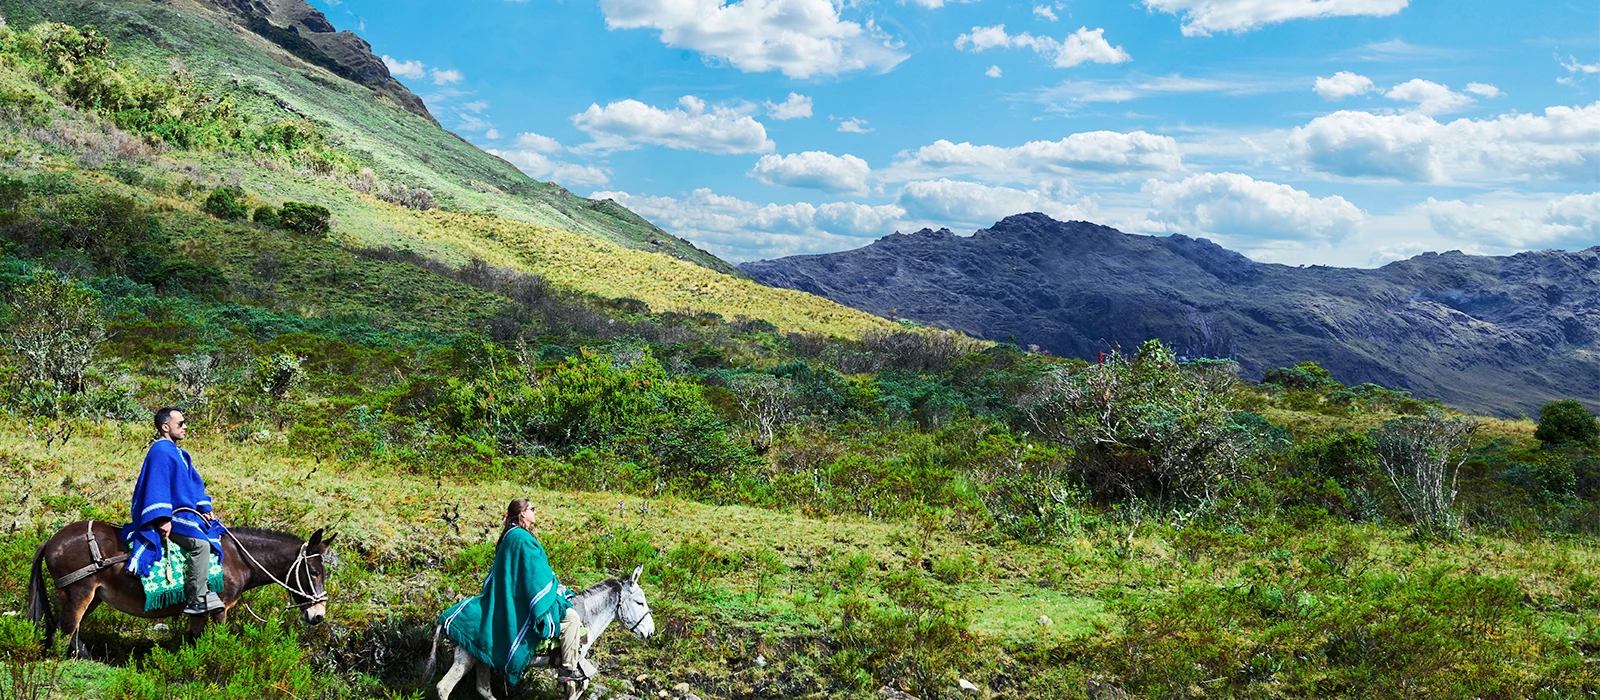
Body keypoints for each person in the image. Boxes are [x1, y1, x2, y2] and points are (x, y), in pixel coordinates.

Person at [438, 498, 586, 689]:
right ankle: (568, 670)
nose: (535, 512)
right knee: (572, 618)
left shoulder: (510, 535)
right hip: (522, 601)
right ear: (522, 513)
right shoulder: (521, 538)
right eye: (532, 508)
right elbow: (535, 574)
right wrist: (554, 585)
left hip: (514, 596)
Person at [120, 407, 225, 615]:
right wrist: (162, 519)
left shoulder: (180, 453)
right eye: (181, 424)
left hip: (186, 514)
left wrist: (204, 508)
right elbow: (157, 486)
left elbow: (193, 484)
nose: (185, 427)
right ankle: (197, 599)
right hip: (173, 517)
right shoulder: (160, 451)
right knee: (201, 546)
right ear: (165, 427)